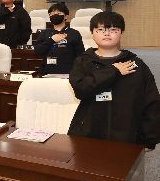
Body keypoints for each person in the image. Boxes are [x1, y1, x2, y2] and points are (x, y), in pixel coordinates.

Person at [68, 12, 160, 149]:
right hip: (89, 132)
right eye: (100, 29)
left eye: (113, 29)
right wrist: (114, 71)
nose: (107, 33)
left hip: (127, 135)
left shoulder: (136, 64)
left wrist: (149, 138)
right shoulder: (82, 61)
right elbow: (81, 90)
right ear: (92, 33)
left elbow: (151, 102)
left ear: (121, 32)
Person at [33, 2, 85, 76]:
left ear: (66, 16)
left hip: (69, 74)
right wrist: (51, 40)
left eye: (58, 13)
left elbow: (81, 56)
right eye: (52, 13)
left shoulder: (74, 33)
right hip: (47, 73)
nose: (55, 15)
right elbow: (37, 51)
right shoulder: (45, 33)